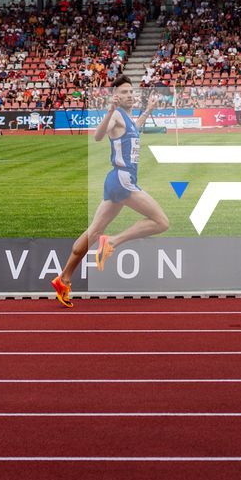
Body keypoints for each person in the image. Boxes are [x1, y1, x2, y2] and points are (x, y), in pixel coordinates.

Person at [53, 76, 167, 308]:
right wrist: (110, 110)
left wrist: (148, 110)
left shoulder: (128, 119)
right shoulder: (116, 115)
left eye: (131, 92)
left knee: (93, 232)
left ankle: (63, 279)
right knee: (161, 222)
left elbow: (135, 128)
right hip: (123, 180)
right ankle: (113, 241)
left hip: (115, 181)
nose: (129, 95)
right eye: (124, 92)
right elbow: (97, 136)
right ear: (116, 96)